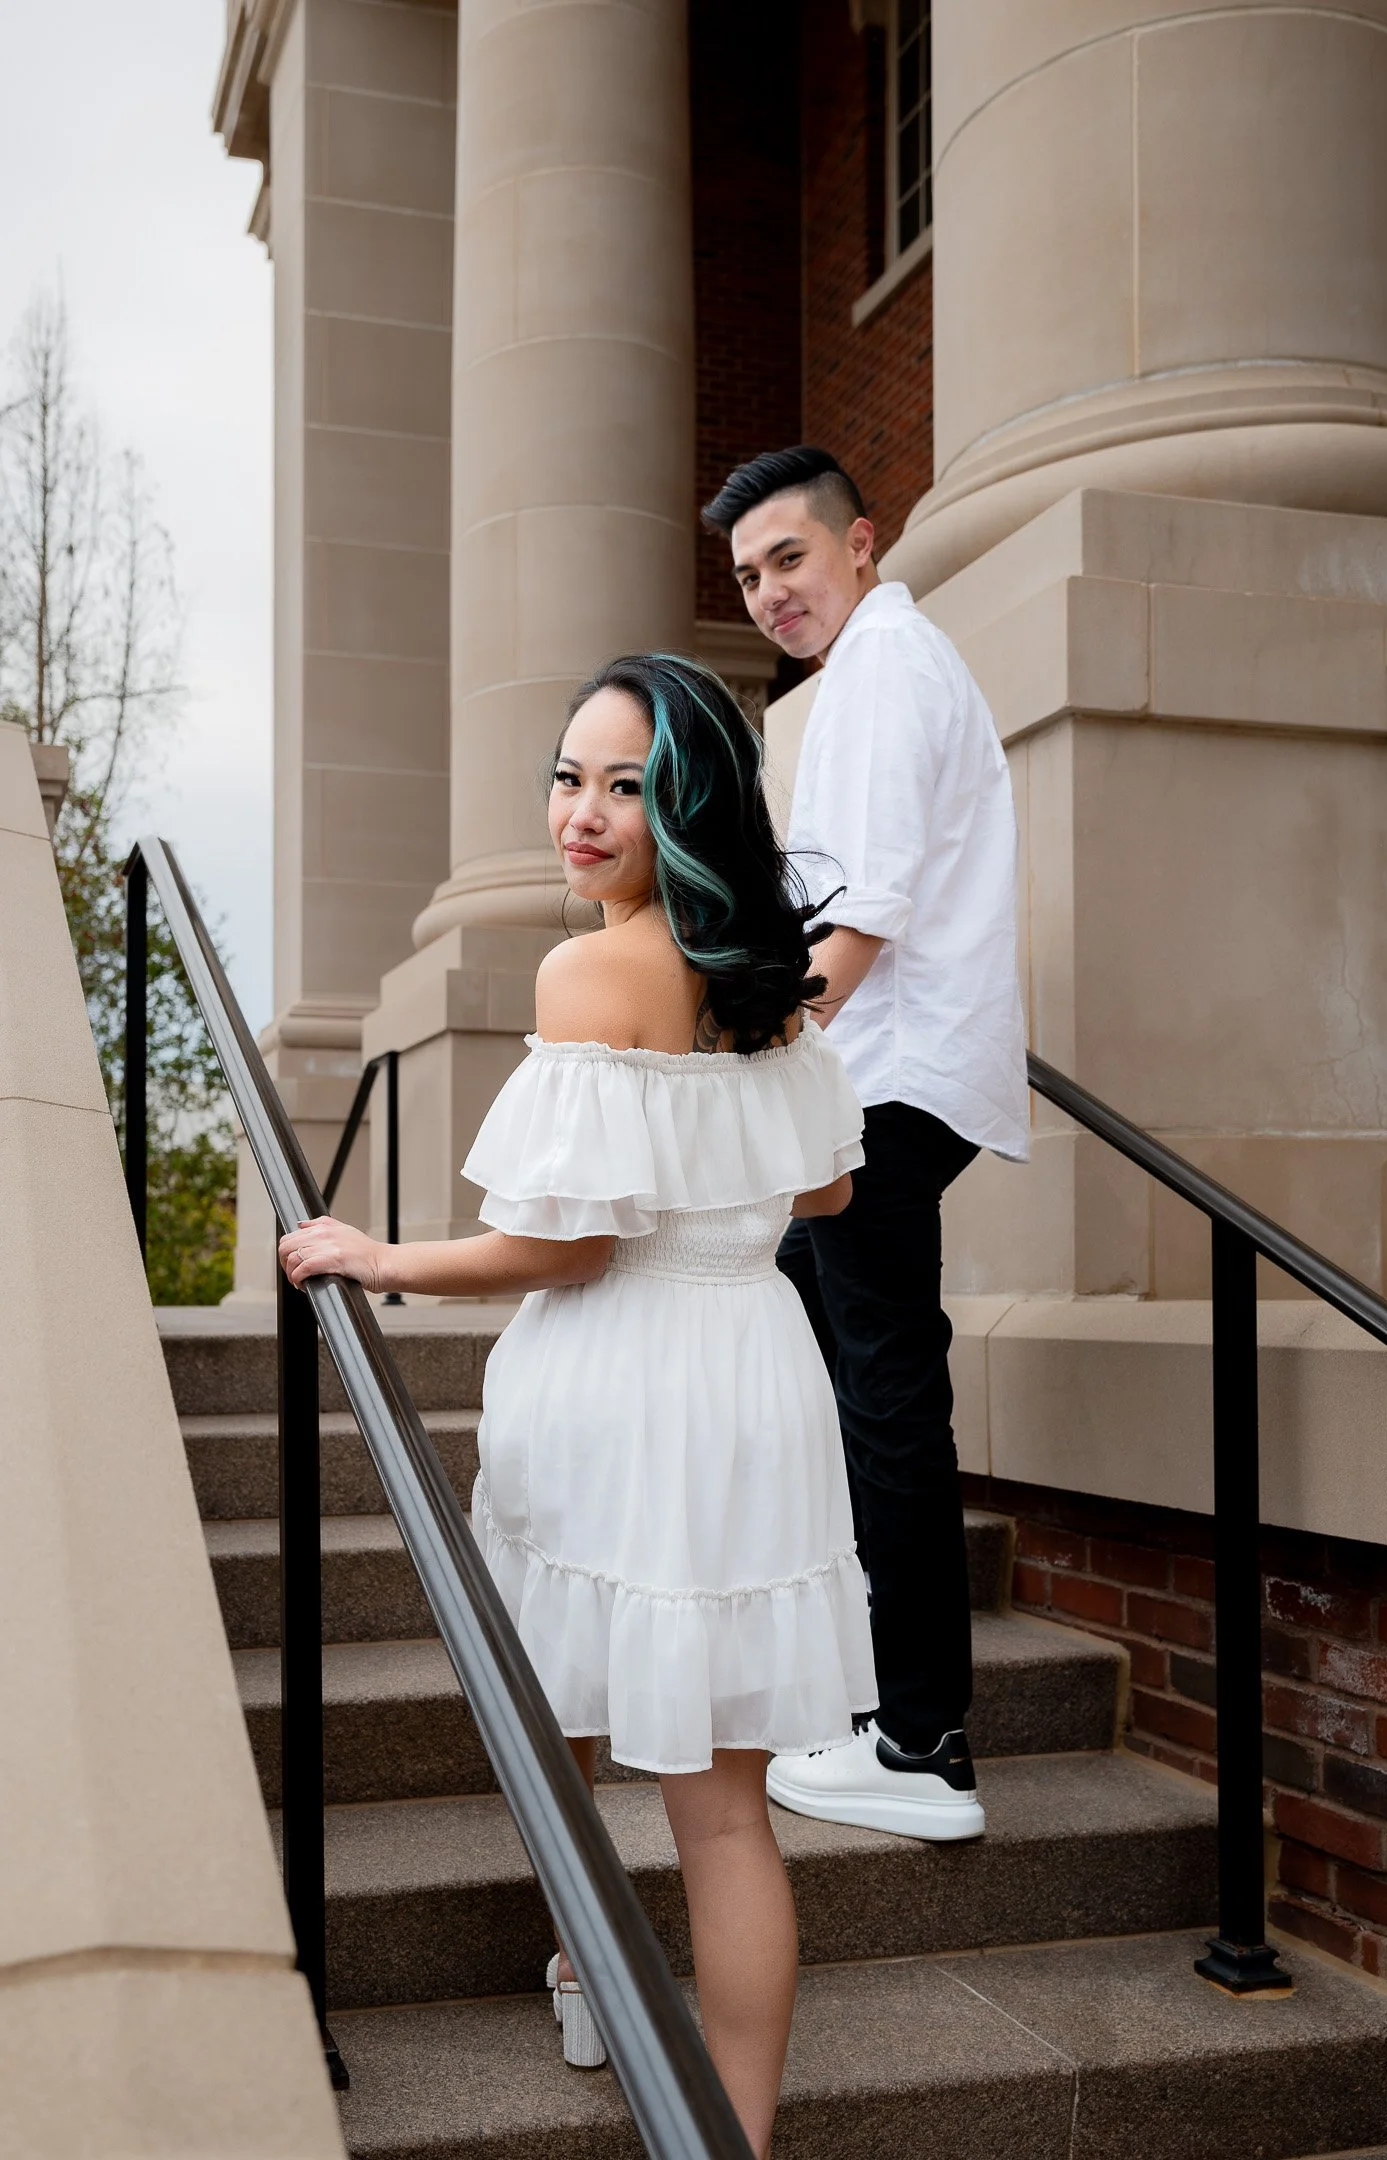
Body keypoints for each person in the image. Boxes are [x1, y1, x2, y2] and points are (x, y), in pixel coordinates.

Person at [279, 652, 877, 2159]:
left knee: (570, 1717)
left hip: (629, 1381)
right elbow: (826, 1183)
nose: (583, 814)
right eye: (569, 776)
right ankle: (717, 2122)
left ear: (690, 804)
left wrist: (378, 1253)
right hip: (757, 1374)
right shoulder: (769, 984)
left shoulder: (593, 968)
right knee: (726, 1810)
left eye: (628, 785)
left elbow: (569, 1241)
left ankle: (591, 1974)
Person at [700, 446, 1029, 1842]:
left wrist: (760, 1052)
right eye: (747, 576)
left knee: (885, 1395)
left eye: (789, 558)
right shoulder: (867, 675)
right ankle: (862, 1695)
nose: (771, 592)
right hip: (883, 1083)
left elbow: (870, 906)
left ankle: (920, 1741)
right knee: (801, 1349)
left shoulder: (888, 669)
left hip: (886, 1087)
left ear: (860, 543)